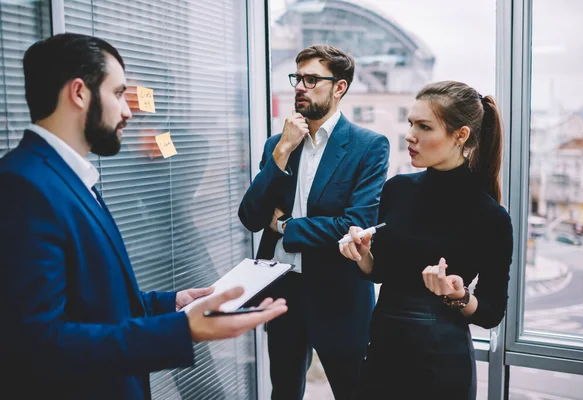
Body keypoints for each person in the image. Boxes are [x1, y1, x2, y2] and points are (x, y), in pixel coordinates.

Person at [0, 33, 287, 400]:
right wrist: (182, 331)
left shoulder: (67, 176)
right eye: (119, 94)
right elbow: (37, 345)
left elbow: (90, 303)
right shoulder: (23, 187)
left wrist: (169, 304)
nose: (128, 111)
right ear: (79, 93)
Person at [339, 80, 513, 399]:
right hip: (382, 351)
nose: (410, 135)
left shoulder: (490, 217)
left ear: (460, 135)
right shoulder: (397, 189)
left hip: (442, 363)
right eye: (410, 123)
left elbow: (490, 313)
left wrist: (457, 294)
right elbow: (381, 273)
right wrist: (363, 255)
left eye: (424, 126)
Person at [238, 44, 390, 399]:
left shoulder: (368, 147)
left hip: (338, 296)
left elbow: (354, 224)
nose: (300, 87)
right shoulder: (278, 145)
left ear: (339, 87)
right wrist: (280, 153)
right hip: (283, 292)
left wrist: (286, 227)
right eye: (297, 78)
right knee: (284, 392)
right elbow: (250, 216)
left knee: (351, 391)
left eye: (311, 79)